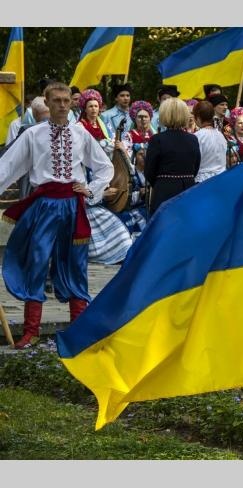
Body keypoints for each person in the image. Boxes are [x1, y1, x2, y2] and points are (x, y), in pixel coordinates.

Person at [0, 82, 114, 349]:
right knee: (37, 261)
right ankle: (31, 331)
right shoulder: (33, 135)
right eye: (57, 100)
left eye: (66, 100)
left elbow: (104, 167)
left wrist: (91, 189)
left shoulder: (81, 133)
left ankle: (78, 331)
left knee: (76, 264)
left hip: (73, 206)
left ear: (72, 103)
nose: (62, 105)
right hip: (44, 206)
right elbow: (7, 167)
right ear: (47, 103)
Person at [76, 89, 133, 265]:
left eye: (96, 106)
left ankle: (113, 249)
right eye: (90, 106)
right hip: (86, 171)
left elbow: (111, 147)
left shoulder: (104, 126)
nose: (94, 109)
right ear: (84, 109)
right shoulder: (79, 127)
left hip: (103, 171)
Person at [144, 97, 201, 215]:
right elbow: (195, 168)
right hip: (188, 189)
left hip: (164, 191)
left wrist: (161, 183)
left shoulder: (157, 139)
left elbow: (149, 171)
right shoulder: (193, 139)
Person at [192, 100, 228, 182]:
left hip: (203, 182)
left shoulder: (197, 137)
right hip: (221, 179)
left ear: (198, 118)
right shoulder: (221, 135)